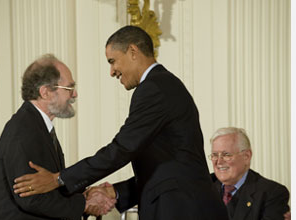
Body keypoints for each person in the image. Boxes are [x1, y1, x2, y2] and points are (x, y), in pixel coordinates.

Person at [13, 26, 229, 220]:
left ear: (133, 51)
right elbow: (164, 165)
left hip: (182, 209)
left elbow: (123, 148)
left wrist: (60, 179)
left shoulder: (154, 88)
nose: (112, 72)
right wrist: (115, 193)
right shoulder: (163, 85)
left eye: (112, 61)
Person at [0, 54, 115, 220]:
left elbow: (47, 186)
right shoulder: (24, 130)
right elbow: (30, 197)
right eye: (69, 88)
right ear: (45, 92)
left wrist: (84, 194)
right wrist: (84, 204)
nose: (75, 94)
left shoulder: (36, 126)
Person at [209, 127, 290, 220]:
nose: (219, 162)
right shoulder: (203, 187)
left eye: (226, 154)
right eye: (214, 155)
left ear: (246, 156)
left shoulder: (272, 193)